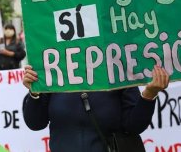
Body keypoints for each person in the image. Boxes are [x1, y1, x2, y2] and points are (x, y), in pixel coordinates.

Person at [22, 65, 169, 152]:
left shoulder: (116, 69)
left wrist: (149, 94)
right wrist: (35, 92)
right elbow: (35, 123)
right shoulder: (52, 71)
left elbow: (133, 126)